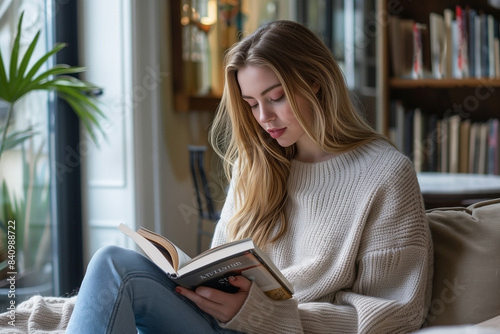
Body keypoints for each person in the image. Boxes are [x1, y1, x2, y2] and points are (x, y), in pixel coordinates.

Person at [66, 20, 432, 333]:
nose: (263, 118)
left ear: (315, 81)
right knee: (112, 261)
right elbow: (220, 264)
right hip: (222, 323)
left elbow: (395, 315)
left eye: (275, 97)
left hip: (278, 329)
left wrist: (261, 314)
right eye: (252, 104)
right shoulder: (256, 164)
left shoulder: (385, 174)